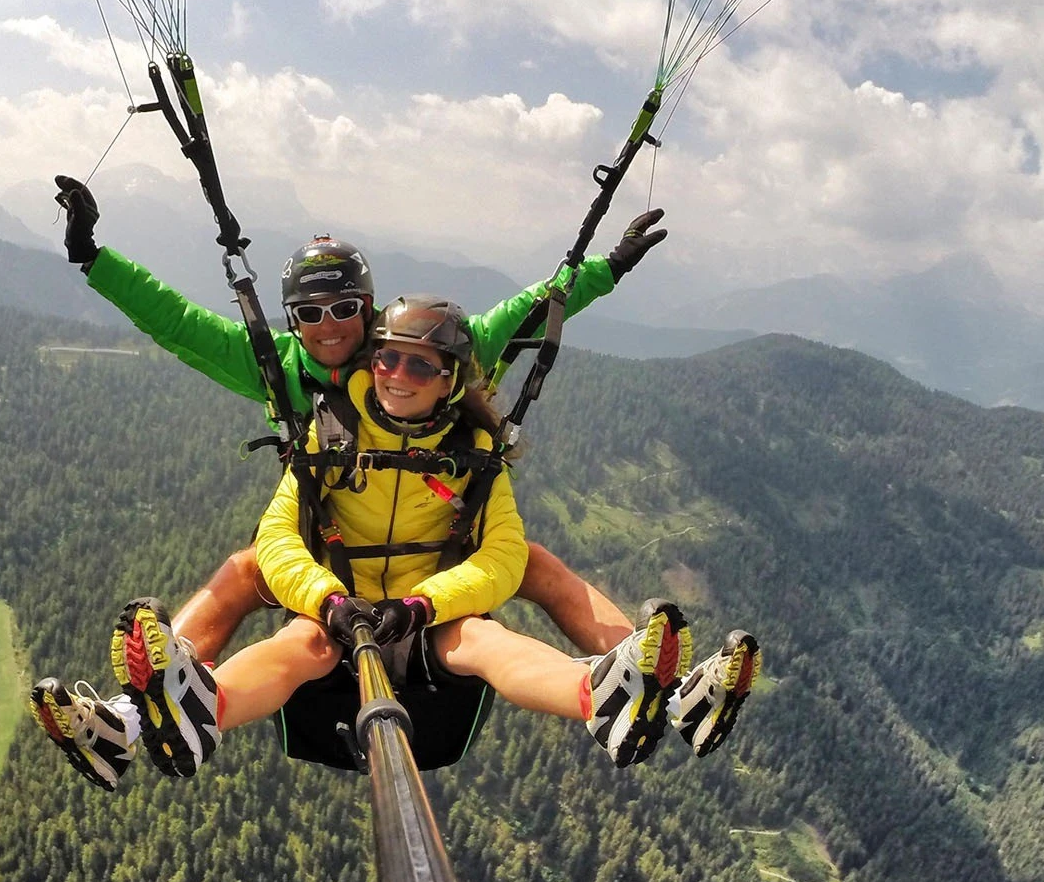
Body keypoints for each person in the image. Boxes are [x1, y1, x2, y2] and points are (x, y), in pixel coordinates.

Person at [33, 296, 759, 790]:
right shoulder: (329, 435)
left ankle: (614, 691)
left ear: (450, 380)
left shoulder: (476, 453)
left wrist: (420, 605)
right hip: (340, 613)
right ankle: (170, 710)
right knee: (296, 635)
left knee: (482, 633)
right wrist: (328, 599)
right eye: (385, 359)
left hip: (427, 620)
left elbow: (502, 556)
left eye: (419, 365)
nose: (396, 375)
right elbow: (280, 536)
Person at [50, 176, 659, 663]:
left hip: (428, 563)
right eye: (309, 313)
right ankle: (157, 692)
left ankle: (643, 668)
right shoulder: (275, 366)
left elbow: (530, 312)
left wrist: (611, 266)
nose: (330, 324)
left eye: (345, 308)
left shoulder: (414, 350)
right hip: (329, 562)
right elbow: (177, 322)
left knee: (533, 560)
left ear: (369, 309)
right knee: (242, 570)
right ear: (291, 320)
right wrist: (92, 258)